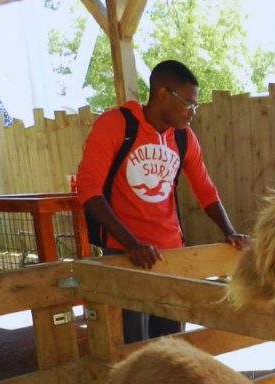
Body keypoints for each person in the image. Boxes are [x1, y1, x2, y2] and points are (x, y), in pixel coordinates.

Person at [76, 60, 250, 343]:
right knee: (133, 346)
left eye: (196, 105)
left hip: (171, 253)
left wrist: (229, 231)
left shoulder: (183, 138)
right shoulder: (116, 125)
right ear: (162, 94)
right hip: (125, 253)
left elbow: (205, 190)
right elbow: (89, 191)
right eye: (188, 103)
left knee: (172, 345)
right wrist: (131, 243)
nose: (193, 112)